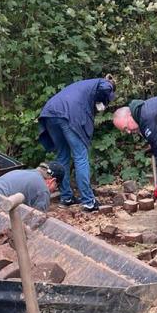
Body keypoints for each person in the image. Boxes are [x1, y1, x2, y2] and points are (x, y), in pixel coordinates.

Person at [38, 76, 115, 212]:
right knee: (81, 157)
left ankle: (66, 197)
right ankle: (88, 201)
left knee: (62, 157)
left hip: (50, 113)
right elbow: (106, 87)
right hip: (68, 115)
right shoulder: (102, 83)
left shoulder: (84, 86)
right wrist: (107, 92)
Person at [0, 162, 64, 211]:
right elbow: (37, 219)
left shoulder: (19, 172)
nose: (53, 190)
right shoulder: (43, 190)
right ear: (52, 180)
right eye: (56, 187)